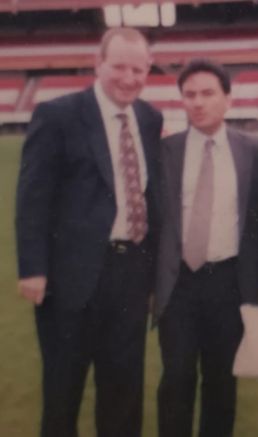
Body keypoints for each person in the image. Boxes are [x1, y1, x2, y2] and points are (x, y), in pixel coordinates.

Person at [15, 28, 162, 437]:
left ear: (149, 70)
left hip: (130, 276)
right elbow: (33, 198)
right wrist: (33, 268)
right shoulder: (58, 114)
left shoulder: (150, 118)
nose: (129, 78)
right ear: (98, 64)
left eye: (139, 69)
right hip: (70, 280)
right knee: (63, 394)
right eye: (119, 67)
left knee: (123, 393)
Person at [153, 59, 258, 437]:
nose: (198, 102)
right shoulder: (165, 151)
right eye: (189, 95)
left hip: (229, 282)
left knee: (222, 382)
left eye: (207, 93)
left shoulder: (252, 149)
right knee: (177, 377)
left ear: (228, 100)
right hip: (179, 284)